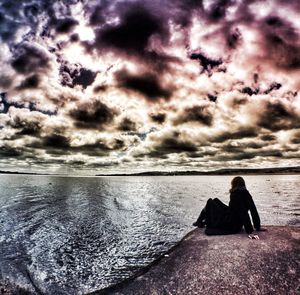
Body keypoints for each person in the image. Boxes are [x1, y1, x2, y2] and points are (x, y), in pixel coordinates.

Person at [193, 176, 263, 237]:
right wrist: (257, 226)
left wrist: (249, 230)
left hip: (232, 223)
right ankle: (202, 221)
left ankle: (199, 221)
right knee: (215, 200)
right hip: (235, 219)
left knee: (210, 202)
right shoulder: (246, 193)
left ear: (234, 184)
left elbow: (243, 212)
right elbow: (253, 210)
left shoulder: (236, 195)